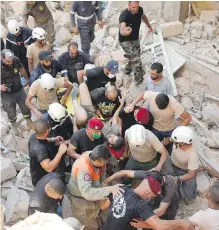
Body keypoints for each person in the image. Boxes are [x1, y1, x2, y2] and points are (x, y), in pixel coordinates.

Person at [102, 171, 196, 230]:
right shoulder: (141, 206)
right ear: (147, 194)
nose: (151, 199)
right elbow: (160, 226)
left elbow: (103, 206)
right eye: (152, 196)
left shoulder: (120, 188)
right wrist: (182, 222)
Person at [67, 144, 124, 230]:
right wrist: (109, 189)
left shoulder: (96, 154)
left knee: (98, 213)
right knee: (87, 222)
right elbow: (88, 193)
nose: (106, 163)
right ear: (98, 161)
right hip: (81, 198)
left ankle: (98, 221)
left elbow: (113, 160)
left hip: (95, 188)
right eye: (105, 162)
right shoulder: (84, 169)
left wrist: (115, 175)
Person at [125, 91, 192, 153]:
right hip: (155, 128)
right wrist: (133, 104)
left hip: (170, 129)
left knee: (171, 150)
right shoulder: (152, 95)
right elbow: (143, 94)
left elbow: (188, 118)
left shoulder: (174, 104)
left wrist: (177, 132)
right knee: (153, 148)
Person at [104, 170, 179, 220]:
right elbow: (125, 172)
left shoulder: (170, 187)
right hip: (154, 200)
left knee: (165, 221)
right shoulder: (149, 175)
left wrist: (138, 216)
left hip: (168, 205)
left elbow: (161, 211)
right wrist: (107, 180)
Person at [1, 49, 34, 134]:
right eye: (8, 61)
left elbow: (21, 68)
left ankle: (29, 123)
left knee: (25, 106)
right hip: (7, 94)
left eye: (11, 61)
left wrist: (27, 78)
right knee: (10, 111)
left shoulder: (15, 60)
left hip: (19, 89)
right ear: (2, 58)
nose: (10, 63)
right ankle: (14, 127)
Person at [119, 1, 152, 83]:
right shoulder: (124, 15)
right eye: (133, 7)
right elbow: (121, 28)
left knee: (134, 55)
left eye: (137, 7)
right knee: (136, 59)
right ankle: (139, 80)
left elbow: (143, 16)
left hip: (135, 38)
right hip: (125, 40)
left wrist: (149, 26)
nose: (136, 9)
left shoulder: (139, 10)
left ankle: (127, 70)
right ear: (129, 5)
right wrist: (124, 32)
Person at [28, 118, 68, 186]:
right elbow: (49, 168)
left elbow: (42, 139)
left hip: (38, 169)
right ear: (47, 131)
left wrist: (53, 139)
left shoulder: (33, 136)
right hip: (42, 180)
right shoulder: (40, 150)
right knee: (59, 178)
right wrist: (60, 152)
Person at [166, 126, 199, 204]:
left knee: (189, 195)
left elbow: (191, 174)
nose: (173, 141)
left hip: (186, 172)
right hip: (172, 163)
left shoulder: (192, 154)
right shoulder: (178, 139)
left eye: (176, 142)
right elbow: (168, 140)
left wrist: (177, 178)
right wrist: (159, 144)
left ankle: (189, 199)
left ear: (182, 142)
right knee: (170, 184)